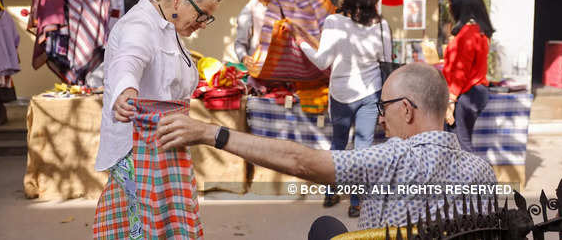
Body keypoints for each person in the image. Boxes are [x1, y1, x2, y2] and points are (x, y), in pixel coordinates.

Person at [155, 63, 497, 230]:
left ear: (406, 110)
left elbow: (300, 162)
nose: (381, 119)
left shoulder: (393, 158)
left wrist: (210, 133)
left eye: (384, 108)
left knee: (324, 227)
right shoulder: (483, 171)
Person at [93, 0, 223, 239]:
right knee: (139, 228)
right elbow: (128, 60)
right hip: (139, 150)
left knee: (163, 226)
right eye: (202, 15)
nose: (202, 24)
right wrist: (126, 90)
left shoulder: (171, 29)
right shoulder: (140, 24)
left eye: (208, 19)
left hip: (165, 145)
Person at [292, 0, 392, 217]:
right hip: (371, 93)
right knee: (363, 147)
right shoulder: (382, 26)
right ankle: (357, 201)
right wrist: (385, 107)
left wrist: (301, 41)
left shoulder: (335, 21)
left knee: (337, 143)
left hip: (341, 94)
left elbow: (322, 61)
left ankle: (331, 191)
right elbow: (388, 63)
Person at [443, 0, 494, 153]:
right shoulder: (478, 31)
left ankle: (471, 179)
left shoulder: (468, 33)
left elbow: (460, 71)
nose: (449, 7)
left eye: (451, 3)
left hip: (465, 94)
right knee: (461, 144)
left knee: (460, 147)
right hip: (473, 92)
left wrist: (451, 100)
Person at [234, 0, 275, 64]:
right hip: (259, 66)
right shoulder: (248, 12)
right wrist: (244, 58)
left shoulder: (278, 7)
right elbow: (240, 43)